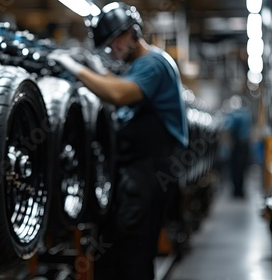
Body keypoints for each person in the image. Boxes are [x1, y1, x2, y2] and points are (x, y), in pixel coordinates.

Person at [49, 2, 189, 279]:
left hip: (151, 171)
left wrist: (78, 70)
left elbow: (119, 94)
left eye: (115, 42)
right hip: (137, 173)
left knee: (133, 251)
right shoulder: (137, 66)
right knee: (119, 248)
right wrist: (95, 69)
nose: (112, 50)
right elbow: (115, 85)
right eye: (108, 46)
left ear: (132, 33)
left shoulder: (154, 63)